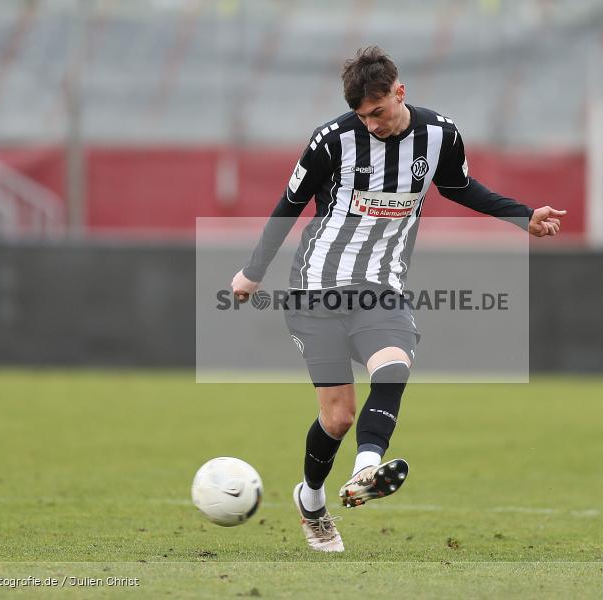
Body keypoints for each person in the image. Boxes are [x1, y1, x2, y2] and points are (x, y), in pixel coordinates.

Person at [231, 46, 566, 552]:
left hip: (381, 288)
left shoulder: (439, 135)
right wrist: (251, 274)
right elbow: (289, 205)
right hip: (316, 288)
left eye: (379, 112)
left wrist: (522, 215)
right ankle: (313, 499)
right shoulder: (331, 141)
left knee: (393, 369)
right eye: (363, 116)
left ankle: (366, 470)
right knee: (338, 416)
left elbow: (460, 187)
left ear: (399, 92)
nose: (372, 125)